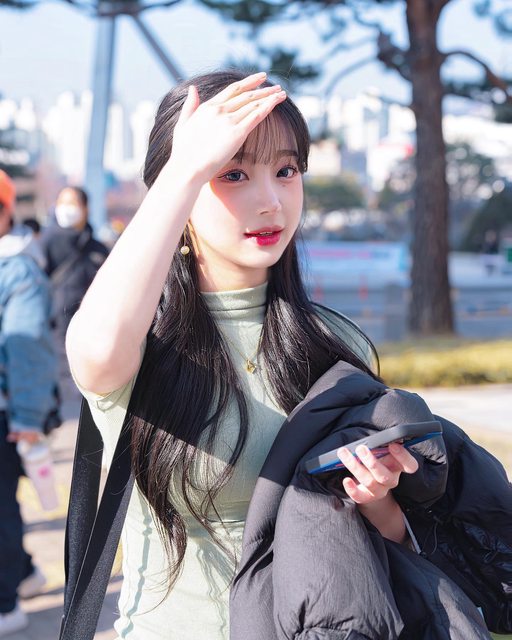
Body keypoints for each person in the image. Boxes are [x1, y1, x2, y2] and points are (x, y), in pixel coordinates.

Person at [66, 71, 421, 639]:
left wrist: (376, 498)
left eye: (286, 170)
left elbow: (394, 549)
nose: (271, 200)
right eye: (232, 173)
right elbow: (97, 345)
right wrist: (184, 169)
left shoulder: (335, 342)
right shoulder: (142, 345)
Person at [0, 170, 57, 637]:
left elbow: (30, 350)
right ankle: (22, 574)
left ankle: (5, 604)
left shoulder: (18, 270)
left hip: (6, 412)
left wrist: (27, 418)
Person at [40, 186, 109, 394]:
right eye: (61, 203)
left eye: (71, 203)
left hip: (90, 328)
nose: (65, 209)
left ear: (85, 208)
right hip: (54, 327)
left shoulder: (97, 248)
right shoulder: (46, 242)